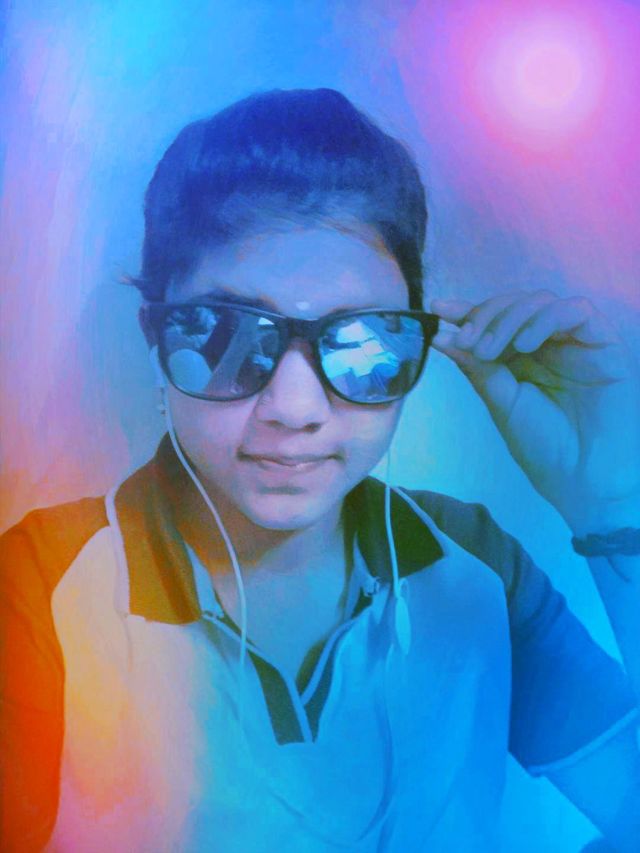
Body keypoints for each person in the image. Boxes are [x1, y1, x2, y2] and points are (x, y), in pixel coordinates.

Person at [1, 88, 639, 852]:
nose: (295, 407)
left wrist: (613, 504)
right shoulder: (37, 586)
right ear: (155, 337)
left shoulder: (475, 565)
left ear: (419, 338)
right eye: (226, 335)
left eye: (361, 340)